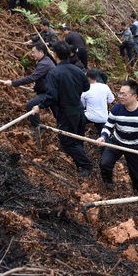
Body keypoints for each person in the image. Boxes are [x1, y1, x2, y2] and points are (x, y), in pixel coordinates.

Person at [32, 41, 93, 177]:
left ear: (55, 55)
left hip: (66, 112)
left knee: (67, 142)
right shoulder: (78, 70)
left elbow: (52, 96)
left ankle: (86, 164)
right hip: (79, 110)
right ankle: (82, 167)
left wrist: (40, 106)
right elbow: (86, 87)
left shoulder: (54, 72)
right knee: (78, 138)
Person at [97, 80, 138, 195]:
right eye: (119, 93)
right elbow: (108, 125)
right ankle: (108, 185)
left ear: (134, 96)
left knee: (136, 174)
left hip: (135, 146)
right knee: (105, 163)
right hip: (116, 141)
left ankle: (137, 192)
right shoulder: (116, 109)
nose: (120, 97)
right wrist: (103, 137)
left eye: (124, 94)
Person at [4, 43, 55, 138]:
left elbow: (32, 78)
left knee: (31, 105)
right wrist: (36, 88)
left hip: (50, 93)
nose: (32, 54)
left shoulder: (44, 63)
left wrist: (13, 83)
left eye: (34, 52)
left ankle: (38, 128)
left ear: (41, 52)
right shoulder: (45, 61)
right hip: (47, 90)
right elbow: (42, 79)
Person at [81, 69, 115, 134]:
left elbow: (82, 105)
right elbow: (111, 99)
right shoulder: (105, 86)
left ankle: (81, 132)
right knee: (102, 133)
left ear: (88, 78)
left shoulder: (86, 89)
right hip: (103, 117)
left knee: (80, 117)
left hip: (89, 117)